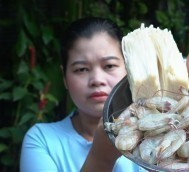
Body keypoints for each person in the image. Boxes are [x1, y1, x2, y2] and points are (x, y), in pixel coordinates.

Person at [20, 17, 146, 172]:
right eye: (81, 69)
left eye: (109, 65)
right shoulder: (41, 140)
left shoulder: (157, 131)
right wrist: (101, 158)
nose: (97, 80)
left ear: (129, 70)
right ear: (64, 78)